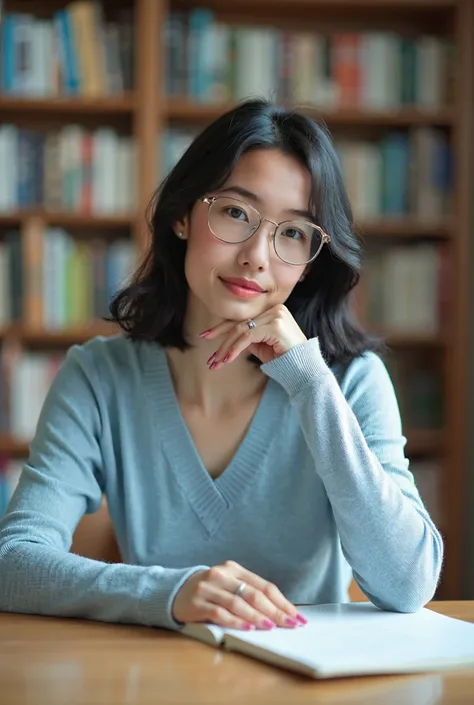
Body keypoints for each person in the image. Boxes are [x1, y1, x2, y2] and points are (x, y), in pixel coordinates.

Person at [0, 99, 443, 633]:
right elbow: (13, 564)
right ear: (184, 215)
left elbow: (408, 584)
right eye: (236, 212)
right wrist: (170, 592)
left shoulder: (349, 380)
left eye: (293, 233)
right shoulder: (98, 379)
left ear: (309, 264)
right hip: (155, 677)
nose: (258, 254)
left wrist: (308, 381)